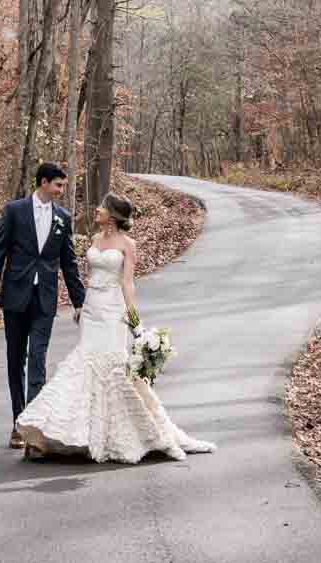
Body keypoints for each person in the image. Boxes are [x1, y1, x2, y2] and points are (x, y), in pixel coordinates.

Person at [12, 191, 213, 464]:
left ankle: (126, 434)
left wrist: (134, 320)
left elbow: (127, 283)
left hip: (112, 311)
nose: (96, 210)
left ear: (114, 215)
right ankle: (74, 433)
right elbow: (87, 274)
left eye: (101, 207)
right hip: (92, 309)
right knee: (83, 365)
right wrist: (81, 305)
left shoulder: (128, 244)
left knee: (112, 369)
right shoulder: (95, 239)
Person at [0, 161, 86, 446]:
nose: (62, 190)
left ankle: (33, 424)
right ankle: (18, 420)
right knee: (15, 360)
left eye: (63, 185)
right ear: (43, 182)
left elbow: (69, 263)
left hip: (45, 300)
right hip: (15, 296)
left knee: (37, 357)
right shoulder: (15, 211)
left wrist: (80, 302)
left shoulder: (63, 217)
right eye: (58, 185)